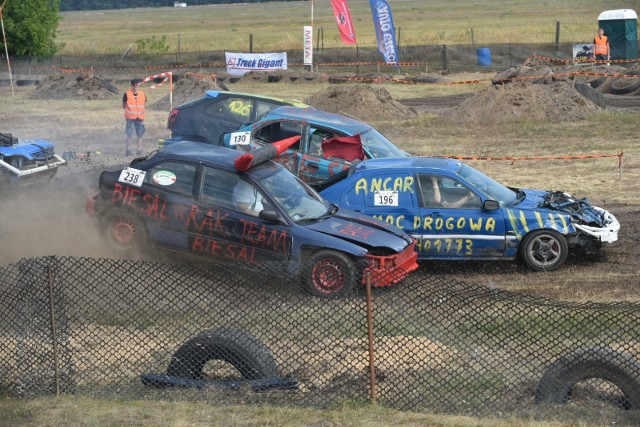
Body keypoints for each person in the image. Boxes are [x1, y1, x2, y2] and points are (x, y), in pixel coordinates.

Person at [122, 78, 147, 156]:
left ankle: (139, 150)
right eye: (134, 85)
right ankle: (128, 151)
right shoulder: (127, 94)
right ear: (131, 85)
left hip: (140, 117)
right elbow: (124, 105)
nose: (136, 86)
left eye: (137, 85)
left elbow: (144, 102)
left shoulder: (143, 94)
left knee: (140, 134)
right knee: (129, 134)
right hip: (130, 118)